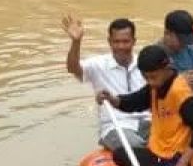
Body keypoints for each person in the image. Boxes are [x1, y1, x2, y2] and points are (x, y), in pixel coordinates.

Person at [95, 45, 193, 166]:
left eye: (153, 77)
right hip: (163, 150)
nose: (150, 82)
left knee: (120, 155)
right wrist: (112, 99)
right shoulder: (157, 85)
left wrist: (183, 163)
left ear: (166, 68)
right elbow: (136, 101)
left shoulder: (179, 92)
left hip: (175, 158)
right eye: (146, 77)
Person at [63, 14, 150, 151]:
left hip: (147, 122)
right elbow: (73, 68)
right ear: (109, 42)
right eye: (116, 42)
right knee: (136, 148)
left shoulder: (146, 63)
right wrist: (76, 42)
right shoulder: (98, 64)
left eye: (125, 41)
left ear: (134, 41)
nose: (121, 46)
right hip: (116, 126)